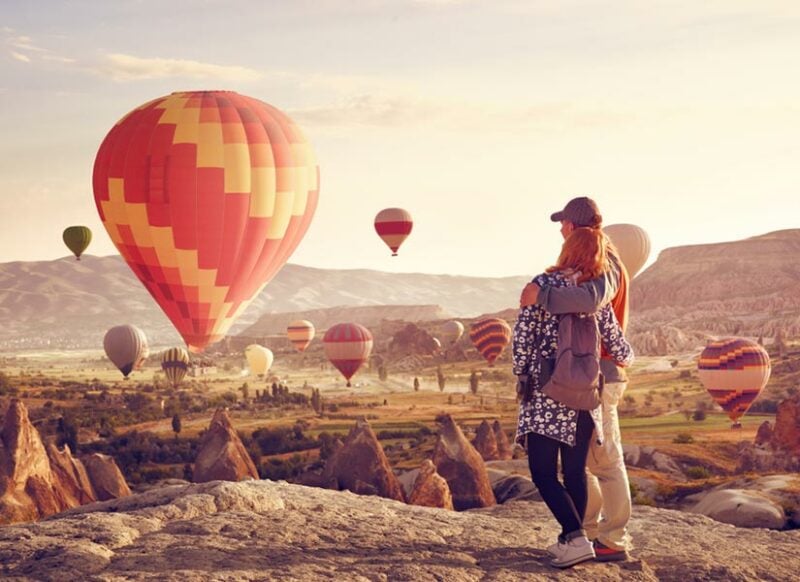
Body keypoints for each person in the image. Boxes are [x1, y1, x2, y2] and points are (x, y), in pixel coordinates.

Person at [520, 196, 633, 562]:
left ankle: (610, 539)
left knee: (604, 461)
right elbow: (613, 333)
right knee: (581, 465)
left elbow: (590, 301)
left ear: (572, 227)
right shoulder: (589, 268)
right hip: (586, 377)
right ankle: (582, 534)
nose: (560, 230)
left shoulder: (604, 263)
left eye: (562, 224)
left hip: (592, 376)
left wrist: (540, 296)